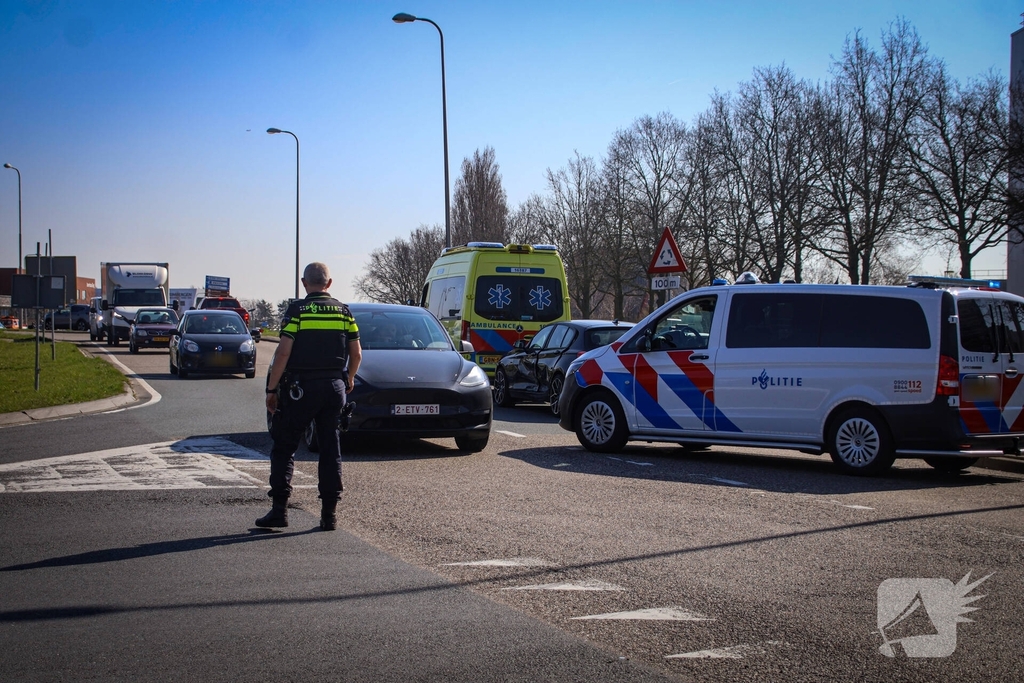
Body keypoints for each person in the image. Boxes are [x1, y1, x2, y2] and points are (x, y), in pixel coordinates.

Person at [258, 262, 362, 531]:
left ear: (304, 283)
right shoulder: (344, 312)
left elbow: (283, 352)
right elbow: (357, 354)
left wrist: (272, 389)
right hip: (333, 389)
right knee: (330, 449)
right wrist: (349, 378)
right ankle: (329, 515)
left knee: (284, 446)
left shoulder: (297, 311)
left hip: (301, 390)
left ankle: (279, 511)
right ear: (329, 283)